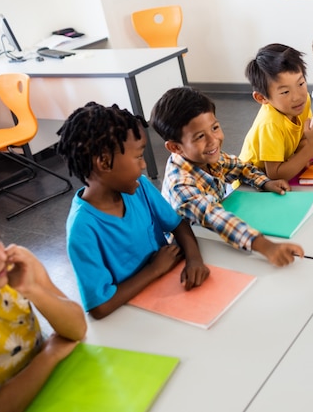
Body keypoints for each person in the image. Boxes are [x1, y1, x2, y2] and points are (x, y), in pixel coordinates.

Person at [56, 102, 210, 320]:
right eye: (138, 157)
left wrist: (194, 259)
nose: (144, 165)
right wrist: (154, 270)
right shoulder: (82, 229)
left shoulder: (141, 187)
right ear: (104, 162)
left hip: (170, 292)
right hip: (131, 314)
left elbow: (178, 224)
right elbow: (99, 307)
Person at [150, 87, 305, 267]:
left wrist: (265, 183)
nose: (213, 140)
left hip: (214, 237)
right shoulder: (180, 184)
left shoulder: (207, 156)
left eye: (215, 127)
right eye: (200, 136)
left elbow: (241, 168)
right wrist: (266, 247)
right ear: (176, 148)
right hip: (190, 252)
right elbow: (213, 216)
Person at [0, 198, 87, 411]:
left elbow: (77, 328)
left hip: (52, 386)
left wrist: (32, 289)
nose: (0, 256)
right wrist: (49, 355)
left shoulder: (15, 266)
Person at [238, 43, 313, 181]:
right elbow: (275, 175)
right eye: (285, 92)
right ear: (262, 98)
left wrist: (302, 155)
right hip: (250, 184)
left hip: (281, 169)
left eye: (301, 84)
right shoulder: (270, 124)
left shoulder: (303, 101)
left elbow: (302, 139)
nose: (297, 96)